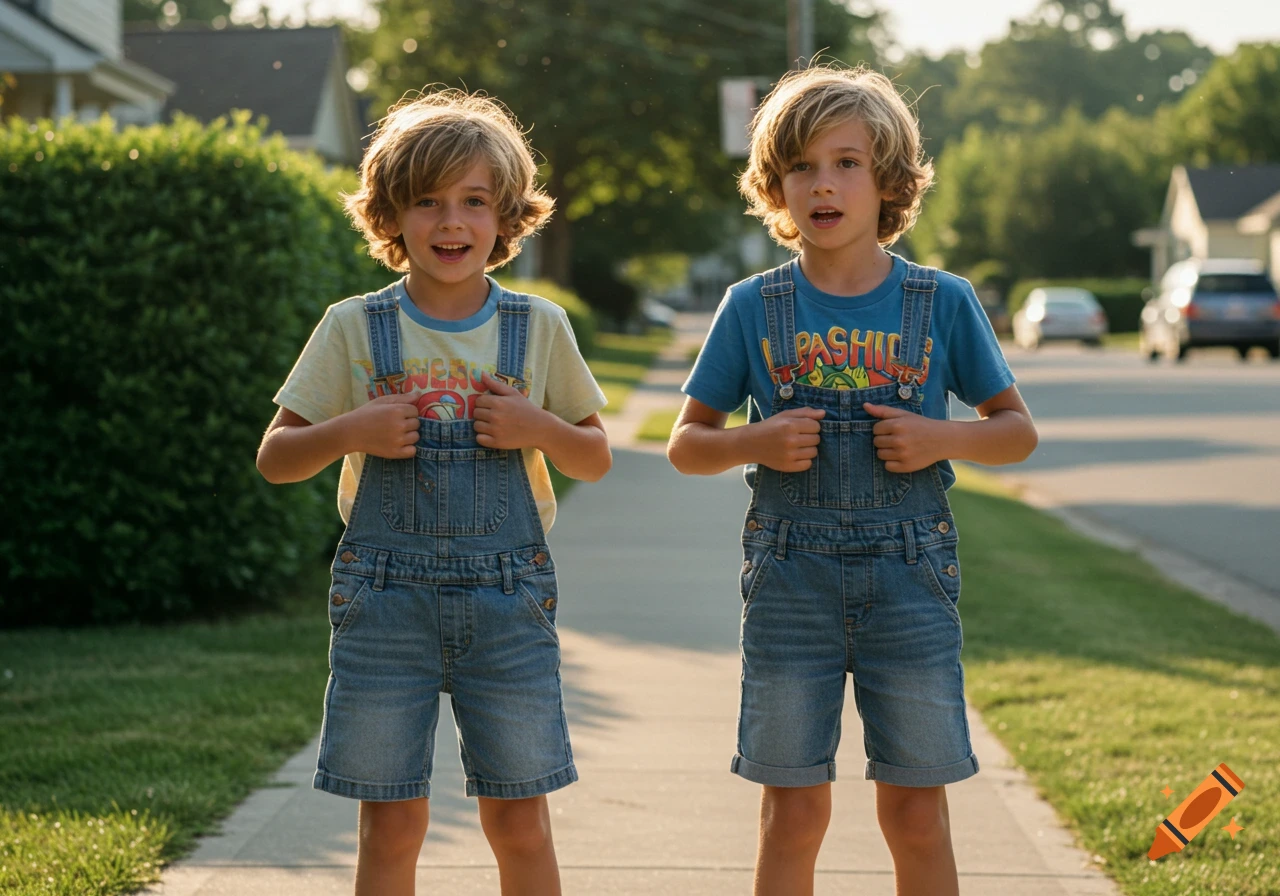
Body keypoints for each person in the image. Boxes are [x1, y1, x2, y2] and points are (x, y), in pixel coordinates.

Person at [667, 66, 1038, 896]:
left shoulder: (940, 301)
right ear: (775, 186)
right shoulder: (751, 308)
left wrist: (940, 436)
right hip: (789, 576)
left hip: (910, 576)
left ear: (891, 184)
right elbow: (687, 445)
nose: (823, 184)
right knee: (793, 811)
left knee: (914, 809)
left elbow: (1016, 432)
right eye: (801, 167)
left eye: (847, 164)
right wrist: (753, 440)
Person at [256, 88, 611, 896]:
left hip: (507, 602)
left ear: (506, 216)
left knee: (519, 818)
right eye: (427, 202)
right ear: (390, 215)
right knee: (393, 819)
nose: (451, 223)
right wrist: (352, 432)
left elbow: (593, 458)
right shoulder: (353, 327)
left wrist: (536, 428)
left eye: (473, 202)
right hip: (385, 606)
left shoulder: (538, 328)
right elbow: (276, 458)